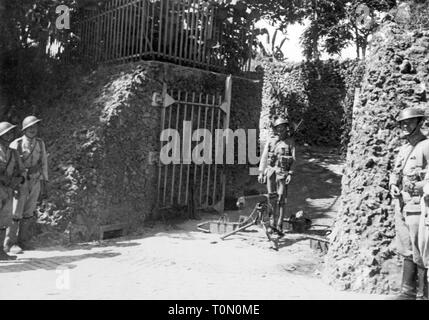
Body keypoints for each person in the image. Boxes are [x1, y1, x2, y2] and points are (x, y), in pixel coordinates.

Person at [390, 106, 429, 300]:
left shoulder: (426, 146)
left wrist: (421, 187)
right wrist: (392, 184)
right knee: (405, 246)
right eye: (403, 123)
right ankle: (407, 292)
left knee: (420, 248)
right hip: (402, 204)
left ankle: (422, 294)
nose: (405, 126)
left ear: (419, 123)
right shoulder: (404, 147)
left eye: (410, 122)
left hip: (418, 207)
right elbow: (396, 172)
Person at [4, 116, 48, 254]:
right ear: (24, 129)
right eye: (29, 127)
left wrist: (44, 181)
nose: (32, 130)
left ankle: (24, 241)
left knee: (29, 212)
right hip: (21, 181)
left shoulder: (40, 144)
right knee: (16, 212)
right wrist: (14, 183)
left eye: (35, 127)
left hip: (35, 180)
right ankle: (10, 243)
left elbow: (44, 163)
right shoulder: (16, 144)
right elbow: (11, 165)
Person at [258, 117, 296, 235]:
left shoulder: (290, 142)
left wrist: (290, 173)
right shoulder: (271, 141)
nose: (280, 129)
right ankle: (272, 223)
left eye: (283, 127)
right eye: (278, 127)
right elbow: (264, 157)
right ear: (275, 129)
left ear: (286, 128)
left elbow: (294, 159)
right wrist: (261, 172)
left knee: (281, 199)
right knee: (271, 198)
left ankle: (279, 224)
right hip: (271, 173)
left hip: (282, 173)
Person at [0, 122, 23, 260]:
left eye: (10, 133)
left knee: (4, 221)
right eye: (6, 133)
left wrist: (18, 182)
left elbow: (21, 171)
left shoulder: (14, 153)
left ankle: (1, 252)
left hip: (8, 190)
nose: (9, 135)